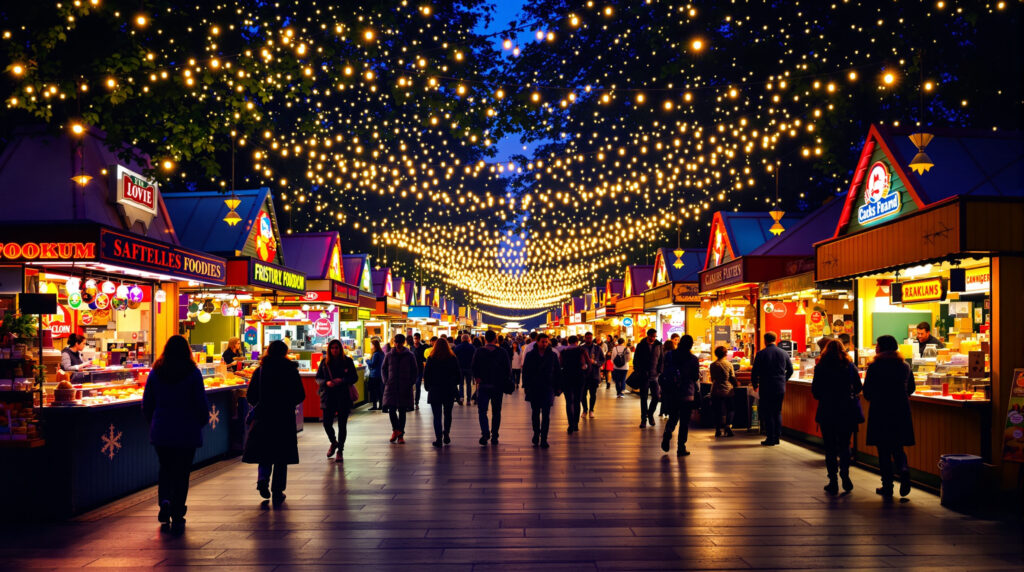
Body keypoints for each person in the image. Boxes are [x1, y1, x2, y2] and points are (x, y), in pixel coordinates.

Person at [142, 335, 209, 533]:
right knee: (182, 471)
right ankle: (178, 509)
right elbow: (201, 402)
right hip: (187, 429)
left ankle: (164, 500)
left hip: (162, 429)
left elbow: (147, 403)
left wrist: (153, 422)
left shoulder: (156, 373)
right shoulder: (193, 373)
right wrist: (201, 421)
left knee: (165, 468)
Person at [242, 340, 305, 504]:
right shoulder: (290, 370)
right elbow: (300, 394)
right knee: (281, 455)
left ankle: (262, 479)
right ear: (285, 352)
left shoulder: (261, 370)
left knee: (265, 451)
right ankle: (278, 490)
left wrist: (261, 403)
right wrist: (289, 403)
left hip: (264, 416)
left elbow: (250, 395)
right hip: (284, 417)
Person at [863, 335, 916, 498]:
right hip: (901, 409)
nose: (876, 348)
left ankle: (888, 485)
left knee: (883, 449)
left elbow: (867, 392)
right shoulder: (904, 365)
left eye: (878, 345)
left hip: (881, 410)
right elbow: (911, 388)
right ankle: (904, 469)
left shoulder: (875, 366)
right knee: (898, 446)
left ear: (883, 347)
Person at [812, 339, 863, 495]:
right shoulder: (849, 366)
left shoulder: (821, 367)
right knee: (845, 444)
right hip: (847, 410)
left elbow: (816, 391)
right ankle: (845, 474)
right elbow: (859, 386)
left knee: (830, 446)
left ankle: (833, 480)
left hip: (827, 409)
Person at [316, 339, 358, 462]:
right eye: (332, 348)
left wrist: (342, 380)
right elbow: (318, 378)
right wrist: (326, 382)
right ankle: (334, 442)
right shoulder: (324, 362)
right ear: (329, 350)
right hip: (328, 397)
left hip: (343, 397)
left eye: (337, 348)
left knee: (342, 425)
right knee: (326, 423)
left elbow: (354, 377)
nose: (335, 350)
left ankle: (340, 450)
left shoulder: (348, 362)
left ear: (340, 349)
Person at [750, 331, 794, 446]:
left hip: (766, 386)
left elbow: (754, 372)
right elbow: (790, 370)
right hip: (779, 386)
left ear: (765, 340)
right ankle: (777, 436)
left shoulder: (761, 354)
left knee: (767, 412)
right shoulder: (784, 353)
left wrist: (755, 385)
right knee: (777, 411)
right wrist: (784, 380)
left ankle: (770, 437)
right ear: (776, 339)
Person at [660, 335, 701, 456]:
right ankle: (681, 447)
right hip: (687, 393)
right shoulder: (693, 359)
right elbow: (695, 377)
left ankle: (667, 434)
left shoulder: (670, 355)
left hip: (671, 392)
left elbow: (664, 370)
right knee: (684, 421)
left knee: (673, 416)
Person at [471, 330, 512, 445]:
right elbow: (507, 369)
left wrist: (477, 377)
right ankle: (495, 435)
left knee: (482, 411)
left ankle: (485, 433)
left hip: (483, 385)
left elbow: (474, 366)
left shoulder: (479, 351)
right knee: (496, 411)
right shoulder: (502, 352)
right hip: (498, 386)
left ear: (485, 339)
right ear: (495, 339)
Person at [522, 333, 560, 449]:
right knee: (535, 412)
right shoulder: (530, 355)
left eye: (546, 342)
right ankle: (536, 433)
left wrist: (558, 386)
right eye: (542, 341)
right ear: (537, 342)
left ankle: (544, 438)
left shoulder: (552, 355)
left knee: (546, 414)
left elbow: (557, 371)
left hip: (548, 387)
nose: (544, 344)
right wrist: (526, 386)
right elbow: (526, 372)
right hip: (534, 387)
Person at [423, 337, 460, 447]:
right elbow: (458, 375)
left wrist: (427, 387)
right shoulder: (452, 358)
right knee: (448, 414)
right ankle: (446, 433)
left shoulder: (431, 358)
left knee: (437, 415)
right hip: (448, 390)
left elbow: (427, 375)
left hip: (435, 390)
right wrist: (453, 384)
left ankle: (438, 438)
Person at [382, 333, 418, 444]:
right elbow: (383, 369)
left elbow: (415, 370)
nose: (398, 344)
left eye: (400, 342)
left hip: (404, 387)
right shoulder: (389, 355)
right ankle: (396, 430)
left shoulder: (410, 355)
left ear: (404, 343)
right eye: (396, 342)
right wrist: (386, 381)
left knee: (402, 411)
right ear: (394, 342)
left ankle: (401, 434)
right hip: (391, 386)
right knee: (391, 410)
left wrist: (410, 382)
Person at [558, 335, 590, 434]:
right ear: (577, 342)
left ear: (568, 342)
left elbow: (560, 365)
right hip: (579, 378)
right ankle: (576, 424)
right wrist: (585, 374)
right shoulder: (582, 351)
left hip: (567, 378)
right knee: (577, 401)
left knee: (569, 402)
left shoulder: (563, 352)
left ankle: (570, 424)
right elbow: (588, 364)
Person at [633, 329, 662, 428]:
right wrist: (639, 371)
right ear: (648, 336)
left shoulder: (658, 345)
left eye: (654, 336)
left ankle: (650, 414)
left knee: (656, 397)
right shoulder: (641, 345)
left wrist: (659, 371)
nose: (653, 338)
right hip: (644, 376)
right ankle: (643, 419)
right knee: (644, 398)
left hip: (655, 376)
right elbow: (636, 359)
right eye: (651, 336)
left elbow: (661, 359)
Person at [709, 346, 737, 438]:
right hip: (728, 390)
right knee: (731, 409)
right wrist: (736, 384)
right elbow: (732, 377)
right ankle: (727, 426)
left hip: (716, 390)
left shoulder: (713, 365)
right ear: (725, 354)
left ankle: (717, 429)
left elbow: (712, 378)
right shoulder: (729, 364)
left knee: (717, 410)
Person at [580, 332, 604, 418]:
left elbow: (602, 359)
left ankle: (591, 410)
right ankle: (585, 410)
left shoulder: (597, 348)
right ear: (584, 338)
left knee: (593, 393)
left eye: (590, 338)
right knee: (583, 393)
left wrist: (596, 362)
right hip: (584, 374)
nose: (588, 340)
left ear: (592, 338)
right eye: (587, 338)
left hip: (594, 374)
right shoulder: (581, 348)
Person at [656, 337, 678, 418]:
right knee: (670, 394)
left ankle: (662, 411)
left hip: (663, 376)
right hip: (671, 376)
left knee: (664, 393)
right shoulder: (673, 354)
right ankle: (668, 411)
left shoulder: (663, 353)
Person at [454, 334, 476, 406]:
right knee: (469, 384)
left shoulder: (457, 347)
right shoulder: (472, 347)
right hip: (469, 368)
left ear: (462, 339)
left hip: (460, 368)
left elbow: (454, 357)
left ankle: (461, 397)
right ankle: (468, 400)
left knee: (461, 384)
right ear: (469, 339)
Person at [365, 339, 385, 411]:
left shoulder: (376, 354)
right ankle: (381, 404)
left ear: (374, 345)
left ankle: (374, 405)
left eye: (371, 344)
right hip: (380, 374)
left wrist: (367, 360)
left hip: (374, 375)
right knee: (379, 390)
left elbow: (372, 365)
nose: (370, 346)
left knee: (374, 391)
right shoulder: (382, 353)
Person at [412, 332, 428, 410]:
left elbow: (425, 358)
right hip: (412, 370)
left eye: (417, 338)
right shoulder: (411, 348)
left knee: (418, 386)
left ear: (419, 339)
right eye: (414, 338)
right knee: (411, 386)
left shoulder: (423, 347)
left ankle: (416, 402)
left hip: (420, 369)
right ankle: (411, 401)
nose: (416, 340)